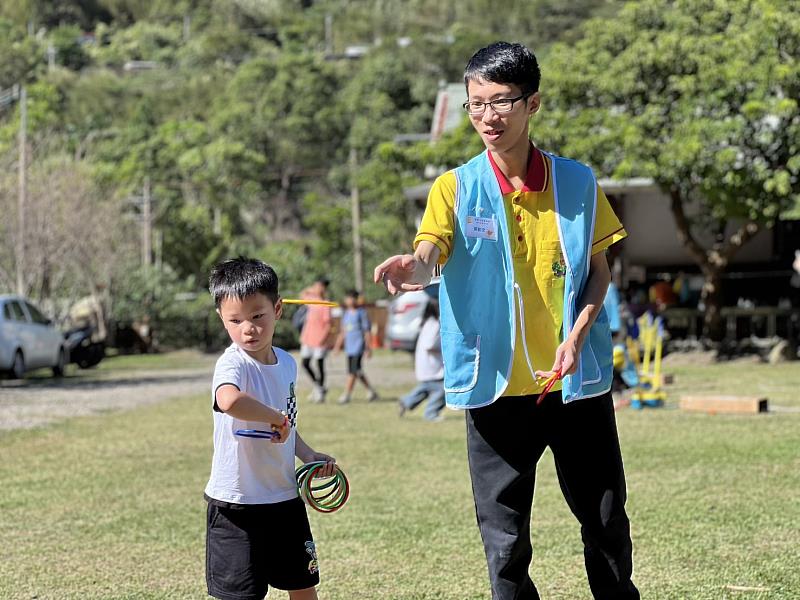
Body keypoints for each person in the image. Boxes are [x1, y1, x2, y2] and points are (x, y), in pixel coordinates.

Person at [374, 42, 639, 599]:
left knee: (606, 524)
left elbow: (598, 274)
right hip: (494, 388)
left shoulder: (577, 183)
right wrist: (413, 266)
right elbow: (429, 255)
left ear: (532, 103)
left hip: (573, 387)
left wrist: (577, 335)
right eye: (475, 104)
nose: (486, 116)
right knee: (505, 542)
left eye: (500, 102)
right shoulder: (455, 187)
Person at [205, 257, 336, 600]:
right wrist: (274, 418)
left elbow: (288, 423)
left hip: (284, 499)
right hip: (236, 503)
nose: (247, 328)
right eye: (235, 320)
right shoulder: (232, 363)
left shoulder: (288, 364)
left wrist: (307, 455)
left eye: (257, 316)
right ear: (222, 318)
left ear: (277, 309)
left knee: (303, 586)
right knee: (241, 595)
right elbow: (229, 401)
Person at [398, 297, 445, 421]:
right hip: (432, 364)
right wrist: (444, 349)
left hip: (426, 363)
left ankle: (406, 401)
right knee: (442, 389)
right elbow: (430, 345)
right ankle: (431, 413)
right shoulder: (435, 324)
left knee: (427, 387)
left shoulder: (426, 323)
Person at [333, 289, 379, 404]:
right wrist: (337, 347)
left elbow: (367, 332)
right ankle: (371, 391)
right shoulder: (346, 314)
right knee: (357, 371)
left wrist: (368, 348)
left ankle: (346, 394)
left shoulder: (361, 313)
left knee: (352, 372)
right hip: (349, 348)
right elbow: (343, 332)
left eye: (351, 298)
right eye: (347, 298)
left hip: (358, 347)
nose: (349, 300)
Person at [299, 276, 332, 402]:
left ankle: (320, 390)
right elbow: (302, 294)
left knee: (320, 365)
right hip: (308, 337)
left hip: (320, 340)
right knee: (305, 363)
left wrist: (323, 339)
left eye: (319, 286)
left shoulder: (325, 303)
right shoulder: (312, 299)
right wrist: (312, 289)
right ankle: (318, 386)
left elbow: (328, 324)